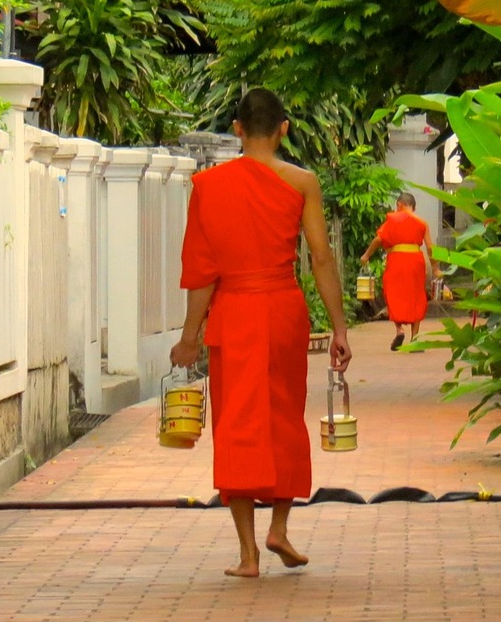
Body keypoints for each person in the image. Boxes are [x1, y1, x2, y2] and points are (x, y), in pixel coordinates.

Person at [169, 88, 352, 578]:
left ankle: (249, 554)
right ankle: (281, 528)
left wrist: (189, 337)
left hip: (232, 314)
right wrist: (339, 326)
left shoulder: (208, 186)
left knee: (237, 426)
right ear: (284, 128)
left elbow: (203, 271)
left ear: (236, 128)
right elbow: (321, 258)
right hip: (281, 310)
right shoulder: (302, 181)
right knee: (283, 417)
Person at [360, 192, 441, 351]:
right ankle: (415, 339)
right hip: (415, 261)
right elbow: (430, 247)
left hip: (396, 260)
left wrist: (366, 255)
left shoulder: (393, 220)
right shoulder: (422, 223)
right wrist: (436, 268)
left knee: (393, 294)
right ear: (414, 207)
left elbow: (378, 239)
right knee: (416, 296)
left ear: (399, 205)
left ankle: (399, 330)